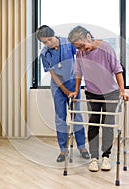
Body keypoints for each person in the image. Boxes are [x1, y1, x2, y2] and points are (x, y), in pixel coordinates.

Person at [68, 26, 129, 172]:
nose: (82, 49)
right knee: (93, 124)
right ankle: (94, 158)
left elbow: (117, 70)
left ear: (88, 37)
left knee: (108, 125)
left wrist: (122, 91)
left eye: (82, 45)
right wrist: (76, 90)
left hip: (111, 93)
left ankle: (106, 157)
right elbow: (78, 72)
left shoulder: (106, 48)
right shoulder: (80, 53)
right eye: (78, 47)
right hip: (92, 93)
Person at [36, 25, 90, 162]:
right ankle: (63, 150)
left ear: (54, 35)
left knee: (76, 116)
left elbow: (79, 61)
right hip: (58, 87)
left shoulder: (68, 43)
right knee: (60, 118)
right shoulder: (44, 54)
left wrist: (75, 87)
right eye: (44, 42)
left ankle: (82, 147)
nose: (48, 44)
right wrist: (65, 91)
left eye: (49, 40)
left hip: (72, 83)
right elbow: (53, 75)